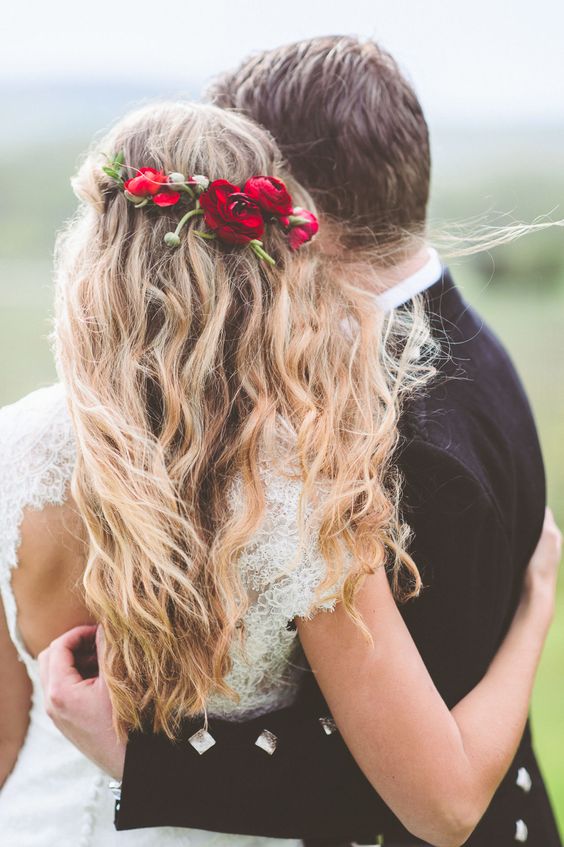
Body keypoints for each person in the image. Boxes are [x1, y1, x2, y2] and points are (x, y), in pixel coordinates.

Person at [37, 37, 563, 847]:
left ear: (292, 208)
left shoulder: (389, 438)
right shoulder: (458, 335)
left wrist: (146, 762)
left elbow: (411, 789)